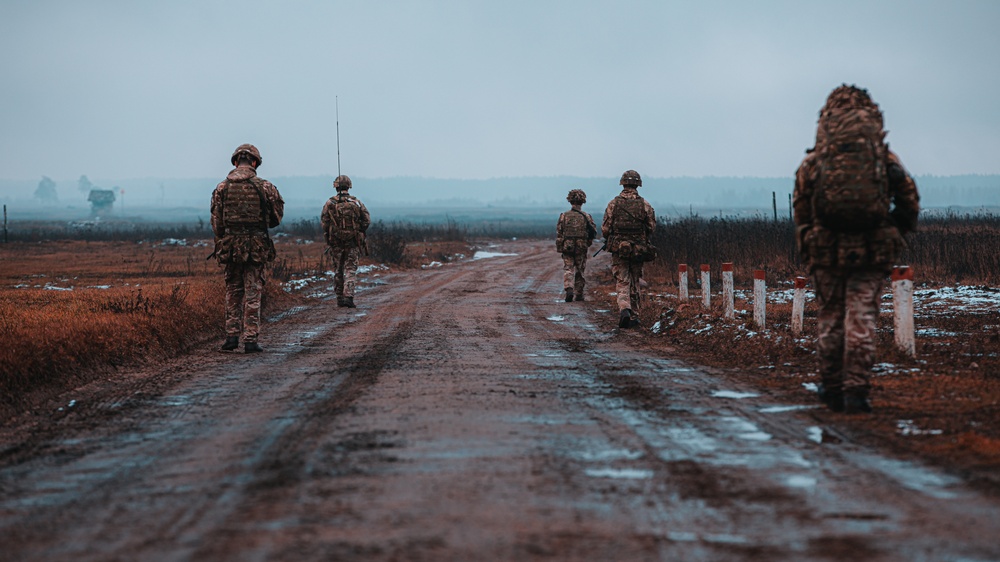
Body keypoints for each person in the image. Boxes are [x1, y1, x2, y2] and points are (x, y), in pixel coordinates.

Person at [793, 84, 920, 413]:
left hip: (826, 252)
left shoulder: (815, 160)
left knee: (831, 319)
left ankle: (832, 388)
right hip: (873, 250)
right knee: (862, 320)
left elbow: (801, 207)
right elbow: (909, 201)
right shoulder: (884, 158)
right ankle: (856, 392)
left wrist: (809, 239)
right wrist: (892, 230)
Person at [210, 143, 284, 353]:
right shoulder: (265, 187)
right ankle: (250, 339)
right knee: (253, 292)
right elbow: (275, 219)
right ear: (254, 163)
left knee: (233, 291)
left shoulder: (222, 188)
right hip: (256, 246)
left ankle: (231, 337)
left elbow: (217, 224)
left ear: (235, 162)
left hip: (231, 246)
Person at [602, 170, 656, 329]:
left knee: (622, 280)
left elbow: (605, 229)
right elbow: (651, 227)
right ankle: (635, 315)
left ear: (623, 183)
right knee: (635, 280)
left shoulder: (613, 204)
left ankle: (624, 308)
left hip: (619, 248)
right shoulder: (645, 204)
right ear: (638, 185)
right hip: (639, 249)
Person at [321, 175, 371, 308]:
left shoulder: (330, 203)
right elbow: (366, 220)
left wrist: (331, 234)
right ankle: (348, 296)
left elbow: (324, 223)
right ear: (349, 186)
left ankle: (339, 298)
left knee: (338, 269)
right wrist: (358, 230)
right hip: (353, 242)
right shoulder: (356, 202)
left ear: (336, 186)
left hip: (336, 242)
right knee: (350, 269)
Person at [556, 189, 597, 302]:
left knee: (568, 268)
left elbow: (559, 232)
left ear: (570, 201)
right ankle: (579, 294)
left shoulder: (564, 216)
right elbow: (593, 232)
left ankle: (569, 287)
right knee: (580, 270)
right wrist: (588, 243)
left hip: (567, 246)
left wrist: (561, 247)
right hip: (581, 246)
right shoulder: (586, 216)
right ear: (582, 201)